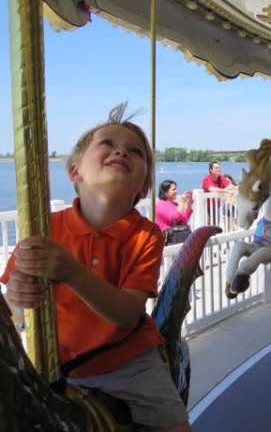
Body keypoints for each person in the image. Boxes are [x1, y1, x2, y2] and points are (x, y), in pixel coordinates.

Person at [1, 104, 191, 432]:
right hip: (51, 360)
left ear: (143, 187)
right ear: (75, 171)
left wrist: (72, 272)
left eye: (135, 151)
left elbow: (126, 314)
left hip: (126, 361)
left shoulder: (146, 235)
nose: (121, 150)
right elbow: (15, 311)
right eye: (107, 143)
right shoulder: (43, 228)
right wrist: (18, 298)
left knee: (172, 423)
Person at [201, 160, 235, 225]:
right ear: (211, 169)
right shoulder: (206, 179)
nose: (219, 169)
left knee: (216, 224)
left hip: (217, 206)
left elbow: (230, 186)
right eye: (216, 168)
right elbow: (212, 189)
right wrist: (225, 191)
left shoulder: (221, 177)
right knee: (210, 226)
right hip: (207, 207)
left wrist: (235, 188)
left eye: (219, 168)